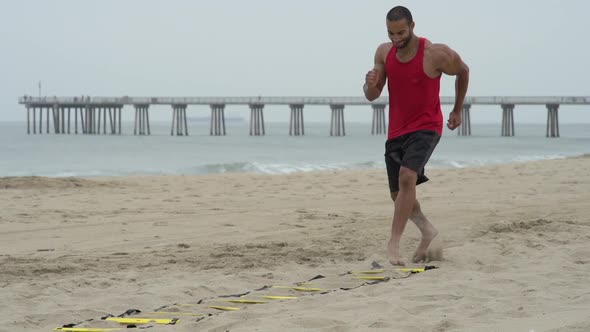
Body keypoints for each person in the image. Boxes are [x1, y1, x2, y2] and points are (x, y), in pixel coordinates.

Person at [363, 6, 469, 266]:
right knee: (398, 195)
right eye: (391, 33)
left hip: (427, 126)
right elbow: (372, 94)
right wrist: (369, 83)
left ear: (412, 25)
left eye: (401, 32)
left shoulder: (435, 54)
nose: (396, 38)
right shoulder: (384, 52)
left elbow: (463, 70)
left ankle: (394, 245)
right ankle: (428, 231)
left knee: (407, 177)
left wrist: (456, 109)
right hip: (396, 129)